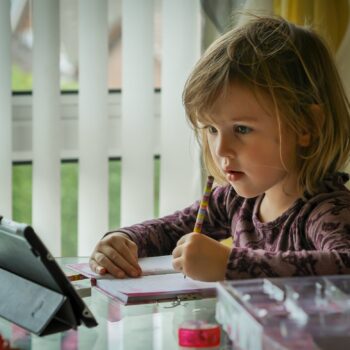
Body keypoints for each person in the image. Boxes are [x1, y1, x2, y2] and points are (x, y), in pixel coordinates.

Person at [90, 15, 350, 282]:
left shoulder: (328, 210)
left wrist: (231, 265)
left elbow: (345, 265)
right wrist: (123, 241)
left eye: (241, 129)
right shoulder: (234, 201)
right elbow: (168, 231)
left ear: (305, 127)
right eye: (212, 130)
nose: (221, 149)